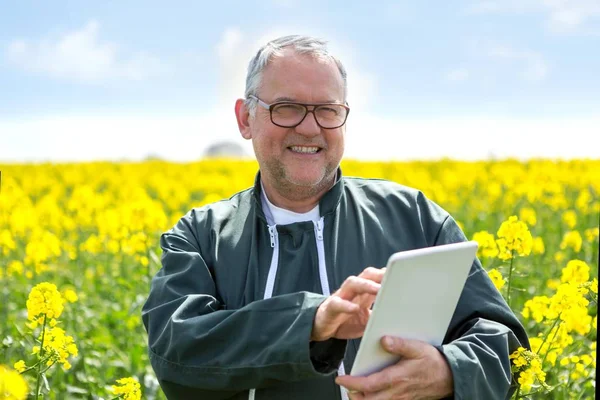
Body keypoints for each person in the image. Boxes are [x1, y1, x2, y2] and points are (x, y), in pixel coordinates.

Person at [142, 35, 529, 400]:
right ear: (246, 119)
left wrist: (448, 371)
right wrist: (311, 321)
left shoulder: (415, 216)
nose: (309, 128)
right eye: (287, 108)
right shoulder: (200, 235)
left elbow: (504, 344)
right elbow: (176, 352)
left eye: (327, 110)